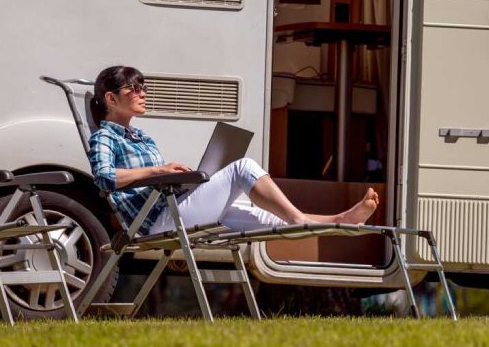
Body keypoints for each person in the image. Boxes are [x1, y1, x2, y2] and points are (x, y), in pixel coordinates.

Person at [88, 65, 378, 235]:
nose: (142, 93)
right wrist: (158, 170)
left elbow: (150, 183)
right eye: (133, 89)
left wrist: (182, 178)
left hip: (172, 208)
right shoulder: (105, 137)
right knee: (243, 167)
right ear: (111, 99)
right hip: (155, 223)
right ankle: (304, 219)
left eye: (143, 87)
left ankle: (340, 221)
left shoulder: (141, 137)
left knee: (267, 219)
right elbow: (103, 177)